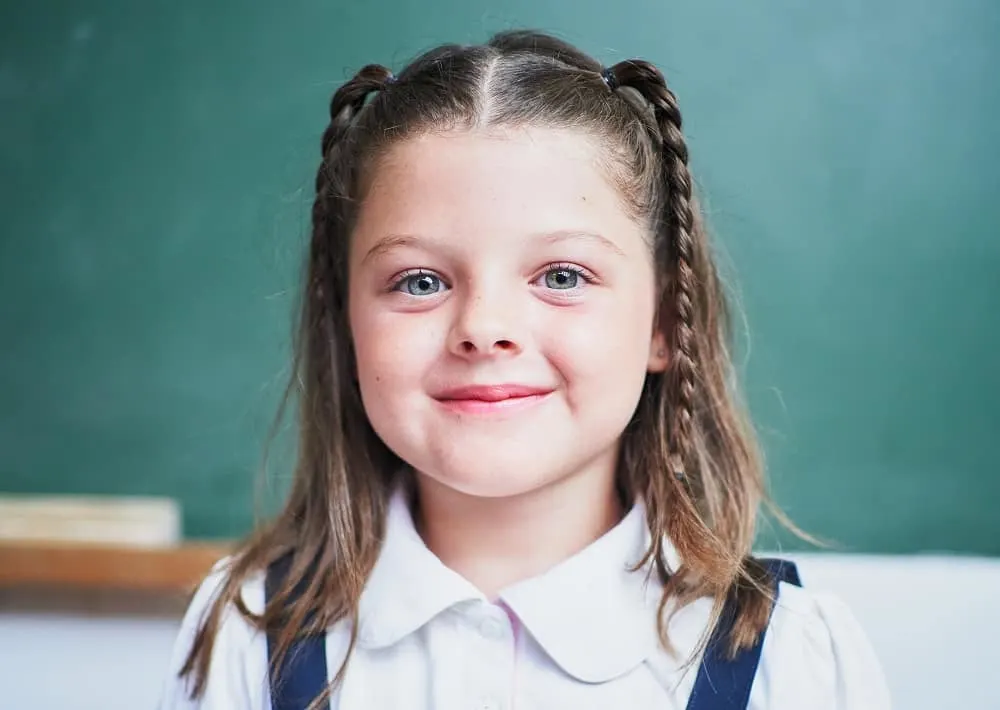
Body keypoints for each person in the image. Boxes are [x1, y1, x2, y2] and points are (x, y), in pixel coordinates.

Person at [159, 30, 891, 710]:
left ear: (666, 322)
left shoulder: (790, 657)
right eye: (419, 281)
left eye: (563, 275)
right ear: (347, 326)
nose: (483, 328)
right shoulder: (253, 635)